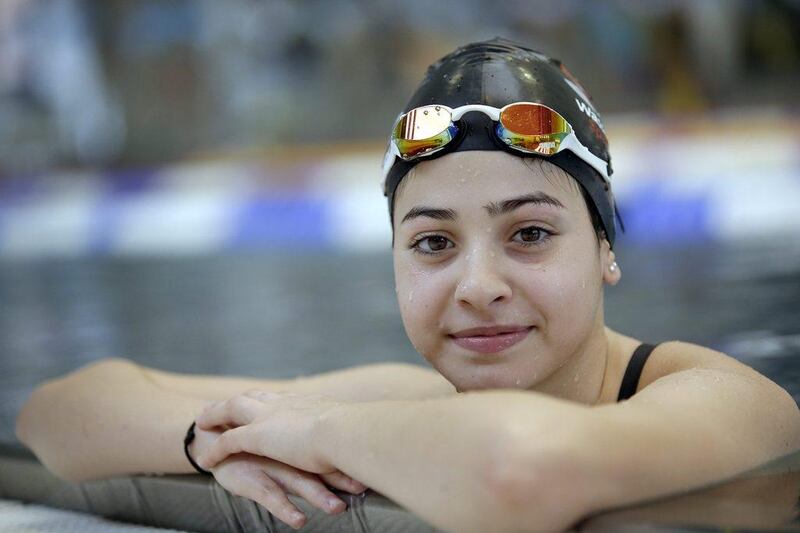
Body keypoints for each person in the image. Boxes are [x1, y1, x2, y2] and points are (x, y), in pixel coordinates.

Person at [15, 38, 800, 533]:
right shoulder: (415, 402)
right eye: (432, 242)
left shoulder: (729, 398)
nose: (478, 285)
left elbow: (521, 471)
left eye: (528, 233)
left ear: (604, 247)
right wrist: (213, 442)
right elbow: (59, 413)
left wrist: (313, 431)